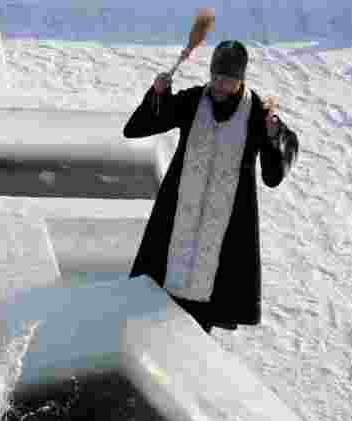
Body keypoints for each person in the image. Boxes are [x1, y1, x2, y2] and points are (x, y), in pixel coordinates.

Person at [123, 40, 299, 335]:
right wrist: (159, 95)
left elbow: (273, 174)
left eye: (228, 81)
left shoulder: (257, 113)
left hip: (225, 227)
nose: (219, 86)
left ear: (241, 79)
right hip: (178, 216)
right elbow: (136, 128)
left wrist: (274, 135)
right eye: (216, 77)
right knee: (158, 303)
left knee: (204, 310)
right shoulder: (193, 101)